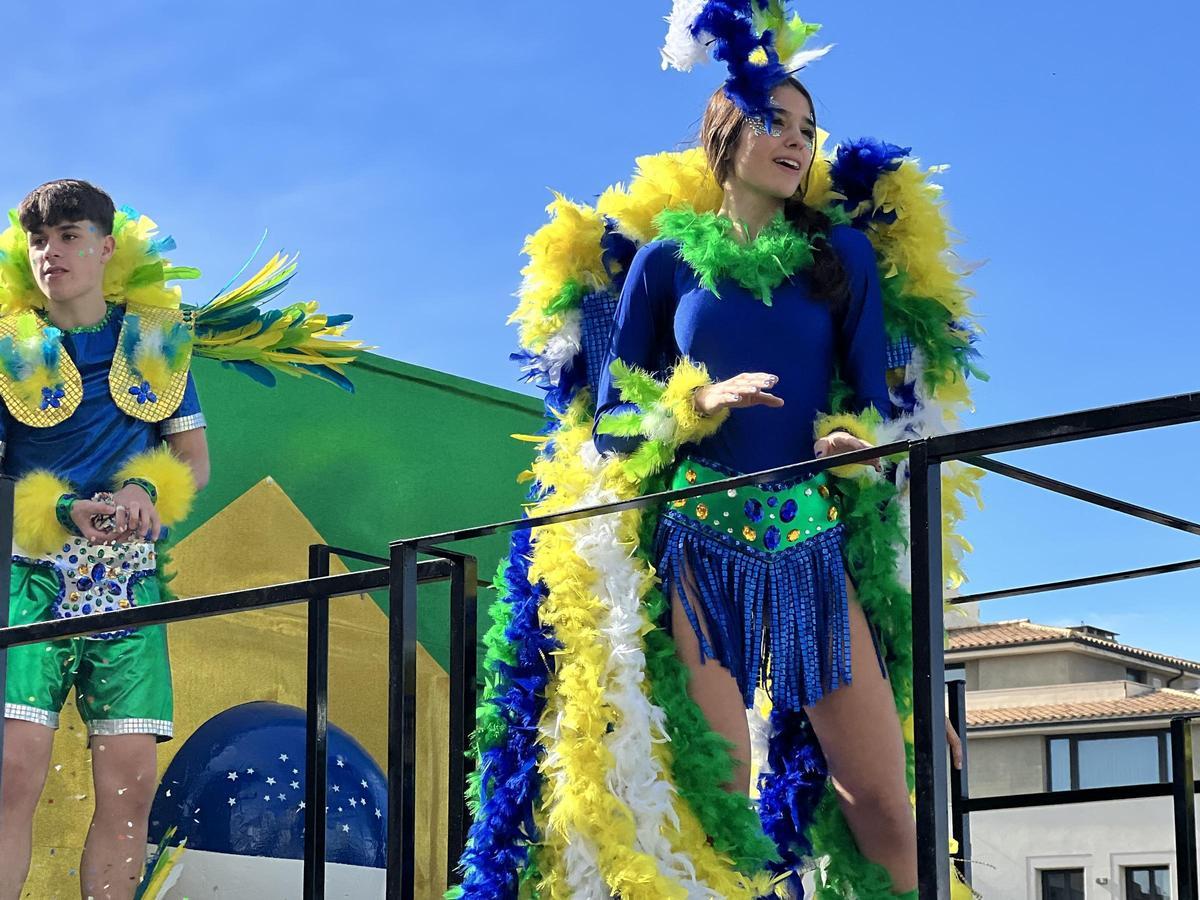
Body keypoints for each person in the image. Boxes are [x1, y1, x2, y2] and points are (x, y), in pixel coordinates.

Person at [593, 77, 962, 897]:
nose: (798, 141)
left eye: (809, 128)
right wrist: (697, 401)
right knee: (719, 797)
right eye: (776, 123)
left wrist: (849, 439)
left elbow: (876, 401)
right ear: (725, 137)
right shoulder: (663, 264)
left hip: (813, 537)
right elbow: (611, 422)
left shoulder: (843, 256)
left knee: (887, 809)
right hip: (699, 538)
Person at [0, 179, 208, 900]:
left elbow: (194, 460)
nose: (50, 252)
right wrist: (60, 508)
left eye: (67, 235)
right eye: (38, 240)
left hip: (129, 591)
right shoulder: (7, 349)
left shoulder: (154, 341)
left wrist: (140, 492)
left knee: (128, 791)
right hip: (28, 585)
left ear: (106, 245)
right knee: (12, 772)